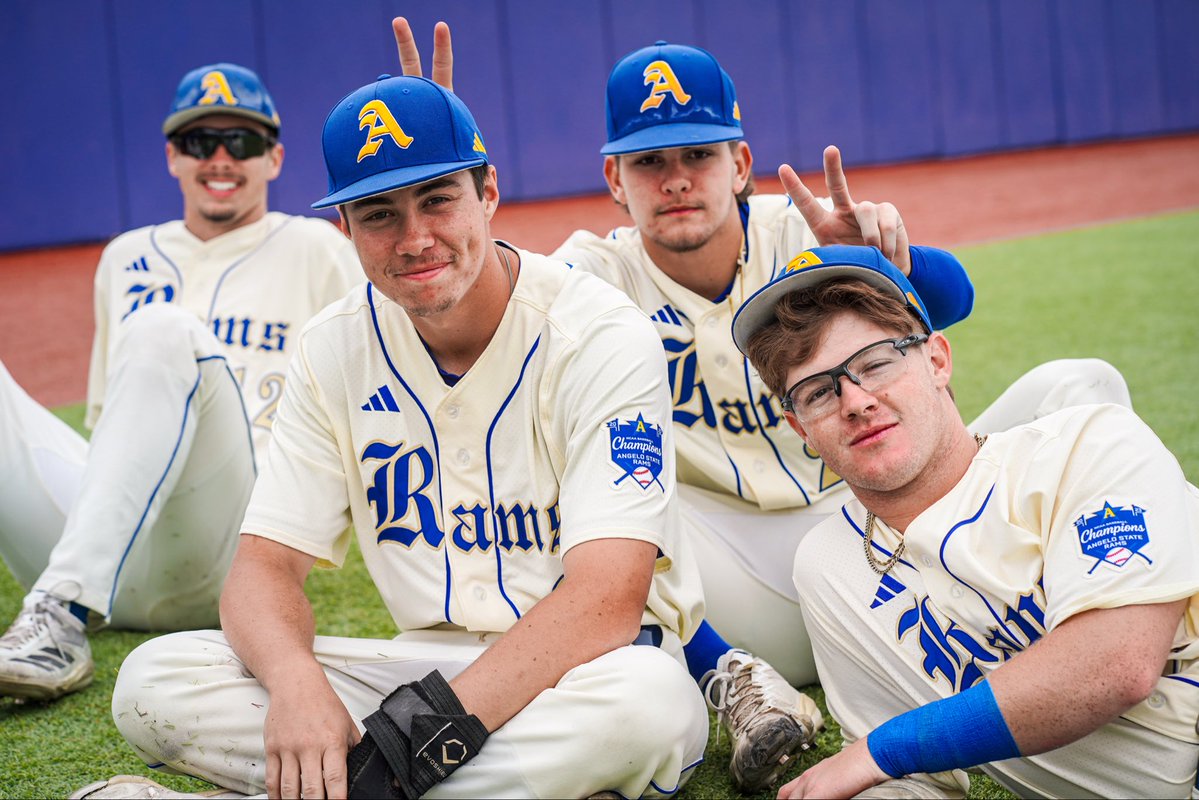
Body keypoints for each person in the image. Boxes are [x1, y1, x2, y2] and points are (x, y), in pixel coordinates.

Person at [392, 22, 1129, 791]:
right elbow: (481, 306)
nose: (675, 179)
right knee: (587, 479)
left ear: (738, 163)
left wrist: (887, 265)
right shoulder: (590, 273)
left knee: (1079, 385)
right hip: (728, 584)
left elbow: (953, 301)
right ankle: (738, 683)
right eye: (649, 162)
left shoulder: (801, 233)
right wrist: (442, 166)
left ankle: (1107, 608)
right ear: (614, 179)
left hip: (885, 535)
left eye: (697, 155)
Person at [77, 74, 708, 800]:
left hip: (587, 670)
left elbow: (606, 598)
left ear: (489, 193)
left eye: (437, 199)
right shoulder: (332, 347)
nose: (414, 239)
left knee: (649, 710)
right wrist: (296, 684)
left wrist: (408, 745)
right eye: (379, 213)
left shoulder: (599, 332)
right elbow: (262, 570)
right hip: (415, 669)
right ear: (344, 227)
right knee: (155, 680)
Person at [731, 244, 1199, 799]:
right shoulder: (829, 566)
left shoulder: (1088, 443)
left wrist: (887, 747)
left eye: (876, 363)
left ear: (936, 360)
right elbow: (906, 786)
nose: (854, 401)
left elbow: (1115, 665)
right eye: (817, 392)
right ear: (800, 427)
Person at [0, 63, 361, 701]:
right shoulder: (124, 258)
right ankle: (60, 606)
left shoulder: (318, 248)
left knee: (163, 328)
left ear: (274, 158)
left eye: (242, 142)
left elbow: (401, 345)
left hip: (228, 552)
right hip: (102, 553)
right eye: (200, 142)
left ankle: (58, 614)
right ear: (172, 156)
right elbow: (110, 425)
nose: (220, 157)